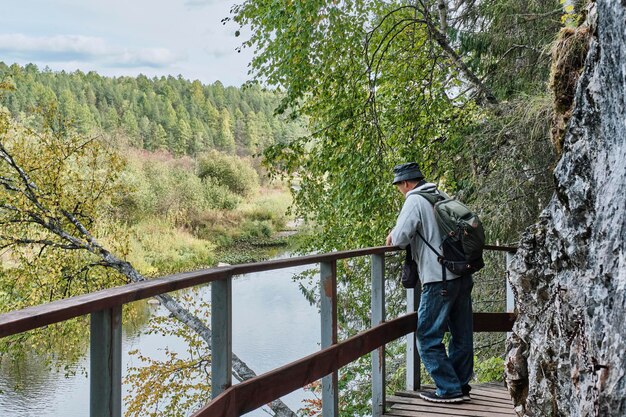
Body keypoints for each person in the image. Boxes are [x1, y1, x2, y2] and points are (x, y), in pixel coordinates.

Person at [385, 162, 474, 403]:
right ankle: (460, 385)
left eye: (399, 186)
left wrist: (393, 233)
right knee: (461, 334)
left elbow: (400, 239)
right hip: (461, 275)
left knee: (427, 336)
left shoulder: (414, 200)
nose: (400, 190)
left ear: (405, 183)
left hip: (439, 280)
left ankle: (448, 388)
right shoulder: (440, 195)